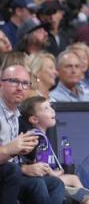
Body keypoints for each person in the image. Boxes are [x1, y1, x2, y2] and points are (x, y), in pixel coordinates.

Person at [0, 64, 65, 204]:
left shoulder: (16, 115)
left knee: (55, 183)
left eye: (25, 83)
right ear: (1, 84)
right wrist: (9, 150)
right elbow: (9, 158)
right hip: (7, 173)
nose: (20, 87)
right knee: (34, 183)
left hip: (11, 174)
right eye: (13, 81)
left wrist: (25, 155)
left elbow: (14, 158)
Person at [19, 96, 89, 203]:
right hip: (41, 179)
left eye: (50, 107)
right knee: (73, 179)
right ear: (34, 119)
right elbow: (39, 167)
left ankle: (69, 190)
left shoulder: (41, 136)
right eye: (46, 109)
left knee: (72, 178)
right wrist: (54, 174)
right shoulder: (37, 138)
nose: (52, 111)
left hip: (44, 178)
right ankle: (69, 191)